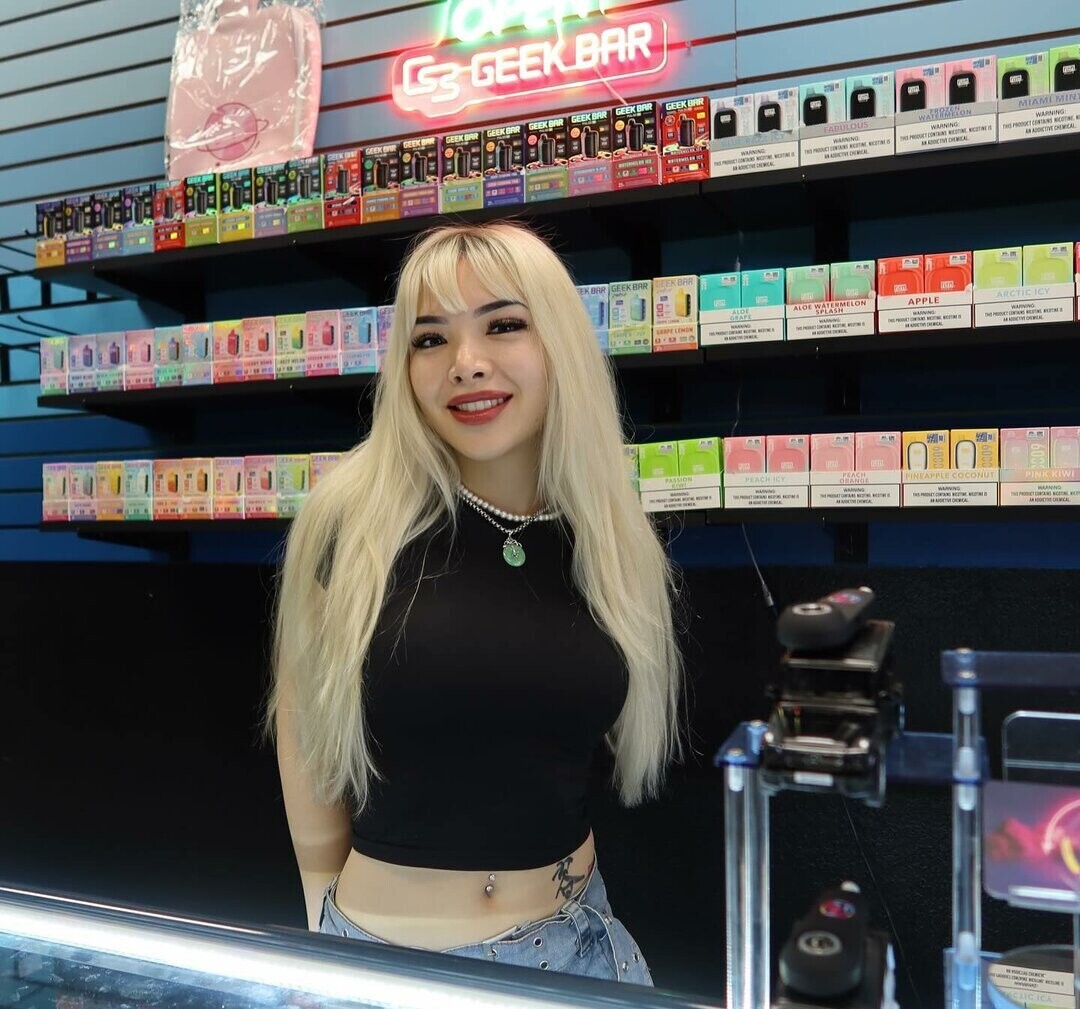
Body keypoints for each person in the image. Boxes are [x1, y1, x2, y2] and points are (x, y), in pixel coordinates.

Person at [262, 221, 686, 985]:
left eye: (503, 325)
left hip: (581, 943)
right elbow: (305, 728)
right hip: (391, 964)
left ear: (559, 342)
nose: (466, 362)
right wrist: (322, 924)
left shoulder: (608, 533)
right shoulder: (353, 523)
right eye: (431, 339)